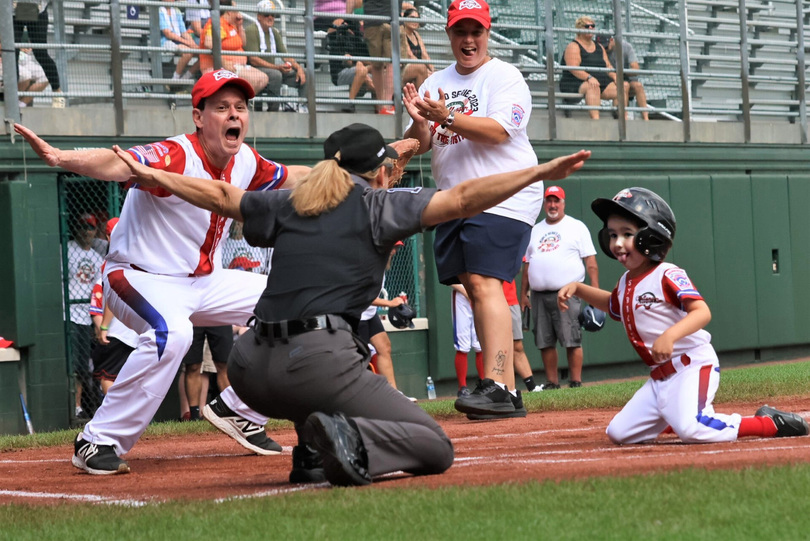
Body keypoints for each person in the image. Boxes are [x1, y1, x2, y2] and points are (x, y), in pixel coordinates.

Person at [113, 122, 589, 486]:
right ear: (380, 171)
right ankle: (347, 441)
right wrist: (539, 171)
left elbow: (219, 195)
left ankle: (311, 454)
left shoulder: (289, 202)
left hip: (249, 369)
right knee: (434, 445)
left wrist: (154, 173)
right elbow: (464, 198)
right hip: (315, 364)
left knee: (318, 355)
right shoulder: (378, 206)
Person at [15, 69, 312, 475]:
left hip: (204, 282)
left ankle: (241, 410)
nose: (233, 116)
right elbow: (120, 165)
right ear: (197, 116)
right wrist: (61, 157)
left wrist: (352, 176)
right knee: (173, 333)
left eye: (240, 108)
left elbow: (295, 177)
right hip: (138, 277)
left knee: (296, 303)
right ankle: (97, 440)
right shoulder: (177, 153)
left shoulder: (245, 160)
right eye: (221, 108)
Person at [558, 187, 809, 444]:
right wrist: (578, 288)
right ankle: (676, 416)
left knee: (692, 430)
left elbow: (701, 312)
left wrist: (670, 335)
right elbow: (613, 305)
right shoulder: (625, 282)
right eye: (612, 235)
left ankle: (769, 423)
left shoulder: (666, 273)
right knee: (619, 433)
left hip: (692, 365)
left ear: (652, 237)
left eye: (627, 234)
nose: (617, 243)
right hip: (660, 380)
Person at [403, 0, 542, 420]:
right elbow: (425, 140)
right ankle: (508, 392)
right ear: (448, 34)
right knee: (474, 285)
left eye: (475, 31)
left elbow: (499, 132)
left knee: (484, 282)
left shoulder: (505, 76)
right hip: (455, 199)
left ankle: (497, 382)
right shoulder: (434, 81)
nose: (468, 40)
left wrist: (446, 116)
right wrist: (417, 124)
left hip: (503, 193)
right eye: (460, 31)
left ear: (487, 32)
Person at [522, 185, 598, 390]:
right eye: (549, 200)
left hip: (567, 292)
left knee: (571, 338)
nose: (552, 204)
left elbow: (590, 261)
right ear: (544, 203)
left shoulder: (576, 226)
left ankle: (575, 381)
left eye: (556, 201)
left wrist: (595, 294)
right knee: (544, 340)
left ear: (563, 203)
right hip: (538, 294)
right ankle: (552, 382)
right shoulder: (535, 229)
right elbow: (527, 264)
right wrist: (523, 294)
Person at [89, 218, 139, 396]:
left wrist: (102, 327)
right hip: (138, 330)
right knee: (129, 378)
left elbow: (109, 298)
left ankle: (115, 417)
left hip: (118, 331)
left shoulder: (112, 263)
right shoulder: (140, 259)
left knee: (109, 377)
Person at [67, 213, 106, 419]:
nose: (86, 232)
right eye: (83, 227)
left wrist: (96, 321)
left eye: (90, 228)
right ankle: (76, 407)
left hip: (89, 316)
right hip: (70, 315)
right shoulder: (66, 249)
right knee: (75, 365)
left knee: (88, 366)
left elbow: (98, 290)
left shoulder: (97, 258)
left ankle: (90, 406)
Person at [245, 0, 308, 112]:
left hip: (272, 70)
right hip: (255, 71)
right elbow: (253, 60)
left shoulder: (274, 32)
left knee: (306, 72)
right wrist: (277, 67)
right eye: (266, 15)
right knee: (276, 75)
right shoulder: (251, 30)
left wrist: (298, 68)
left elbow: (285, 55)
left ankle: (303, 106)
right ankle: (273, 111)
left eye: (273, 15)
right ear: (259, 16)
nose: (270, 18)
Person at [559, 16, 628, 120]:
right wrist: (589, 77)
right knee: (593, 86)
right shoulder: (573, 46)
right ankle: (596, 120)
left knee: (624, 85)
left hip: (599, 80)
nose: (590, 28)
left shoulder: (599, 47)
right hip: (575, 82)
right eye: (587, 26)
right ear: (579, 29)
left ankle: (621, 117)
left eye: (593, 26)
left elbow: (607, 65)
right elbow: (573, 68)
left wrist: (614, 76)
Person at [199, 0, 269, 94]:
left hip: (238, 65)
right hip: (219, 67)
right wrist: (223, 62)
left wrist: (240, 26)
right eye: (236, 10)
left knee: (263, 78)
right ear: (229, 11)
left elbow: (243, 43)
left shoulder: (232, 25)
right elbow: (208, 44)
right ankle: (239, 103)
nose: (238, 13)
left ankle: (240, 103)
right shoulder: (219, 24)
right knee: (255, 80)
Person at [13, 0, 64, 107]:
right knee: (13, 52)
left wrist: (41, 5)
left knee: (41, 53)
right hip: (13, 10)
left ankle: (57, 93)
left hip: (38, 10)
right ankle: (12, 96)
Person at [181, 326, 233, 420]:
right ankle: (194, 416)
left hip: (218, 315)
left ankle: (231, 413)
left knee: (223, 365)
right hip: (194, 316)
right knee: (192, 366)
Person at [324, 18, 376, 113]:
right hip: (340, 74)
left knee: (377, 70)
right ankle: (350, 103)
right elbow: (347, 61)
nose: (349, 30)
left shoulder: (359, 41)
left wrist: (362, 64)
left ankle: (380, 107)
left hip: (361, 72)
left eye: (350, 28)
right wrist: (360, 64)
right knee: (361, 68)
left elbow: (371, 62)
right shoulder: (337, 38)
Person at [595, 34, 650, 121]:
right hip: (609, 79)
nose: (604, 49)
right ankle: (623, 117)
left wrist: (622, 72)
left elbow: (635, 68)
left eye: (606, 46)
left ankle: (646, 118)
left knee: (638, 86)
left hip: (625, 76)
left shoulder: (626, 47)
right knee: (624, 85)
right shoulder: (597, 49)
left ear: (612, 40)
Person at [363, 0, 400, 114]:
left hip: (374, 20)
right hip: (389, 19)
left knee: (378, 64)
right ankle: (386, 106)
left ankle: (382, 106)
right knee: (390, 63)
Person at [449, 284, 483, 398]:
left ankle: (484, 383)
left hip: (480, 293)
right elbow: (450, 279)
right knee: (462, 345)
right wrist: (466, 292)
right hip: (461, 296)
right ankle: (462, 387)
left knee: (480, 345)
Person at [159, 0, 199, 81]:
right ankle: (175, 79)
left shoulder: (177, 11)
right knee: (188, 52)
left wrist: (193, 44)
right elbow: (168, 34)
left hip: (179, 41)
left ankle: (185, 78)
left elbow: (183, 32)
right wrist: (187, 42)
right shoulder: (159, 11)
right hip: (165, 41)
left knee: (203, 54)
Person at [399, 4, 433, 90]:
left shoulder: (416, 34)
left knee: (436, 74)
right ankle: (421, 101)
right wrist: (426, 70)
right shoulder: (402, 33)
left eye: (417, 19)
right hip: (402, 70)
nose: (415, 21)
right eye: (412, 18)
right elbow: (409, 55)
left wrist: (432, 70)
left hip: (417, 69)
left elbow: (425, 55)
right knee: (421, 68)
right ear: (405, 19)